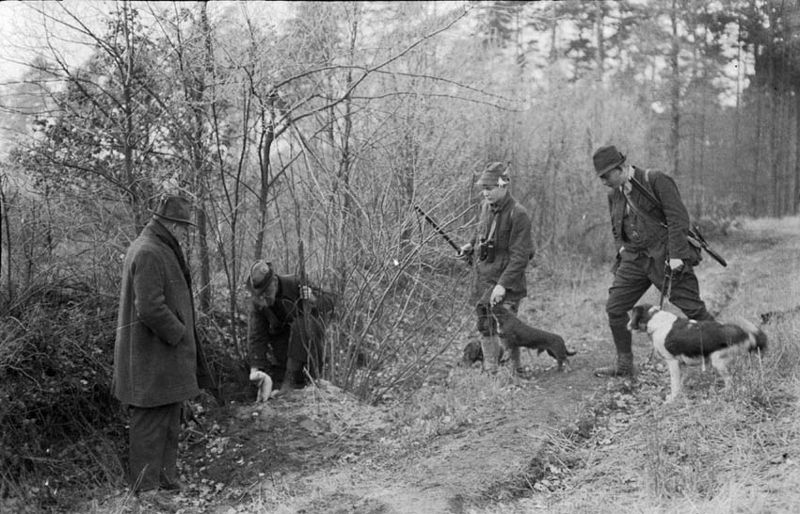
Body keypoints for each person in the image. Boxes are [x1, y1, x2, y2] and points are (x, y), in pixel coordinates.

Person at [112, 194, 216, 497]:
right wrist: (179, 332)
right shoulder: (149, 251)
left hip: (160, 357)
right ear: (170, 224)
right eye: (182, 227)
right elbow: (149, 307)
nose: (184, 233)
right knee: (149, 423)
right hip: (151, 357)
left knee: (169, 418)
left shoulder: (158, 247)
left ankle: (165, 481)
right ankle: (147, 491)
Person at [592, 145, 714, 377]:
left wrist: (677, 255)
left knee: (694, 309)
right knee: (615, 308)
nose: (604, 182)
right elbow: (616, 227)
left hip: (666, 258)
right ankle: (625, 365)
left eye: (606, 176)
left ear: (619, 168)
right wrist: (622, 250)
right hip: (634, 259)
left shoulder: (655, 180)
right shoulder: (614, 194)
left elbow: (678, 218)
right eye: (601, 177)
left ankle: (720, 355)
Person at [460, 162, 534, 375]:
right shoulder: (485, 207)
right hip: (484, 277)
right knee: (484, 324)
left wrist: (502, 285)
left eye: (490, 188)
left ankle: (514, 371)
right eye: (484, 188)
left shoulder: (519, 214)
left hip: (507, 281)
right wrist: (470, 245)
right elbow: (481, 232)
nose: (486, 193)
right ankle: (491, 369)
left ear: (504, 186)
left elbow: (521, 256)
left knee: (508, 328)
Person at [247, 260, 335, 398]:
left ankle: (293, 382)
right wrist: (255, 369)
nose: (264, 297)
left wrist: (313, 298)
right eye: (260, 294)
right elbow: (257, 335)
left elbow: (330, 303)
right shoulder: (258, 302)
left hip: (309, 344)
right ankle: (288, 382)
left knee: (301, 324)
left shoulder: (296, 283)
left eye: (267, 291)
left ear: (275, 281)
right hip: (284, 347)